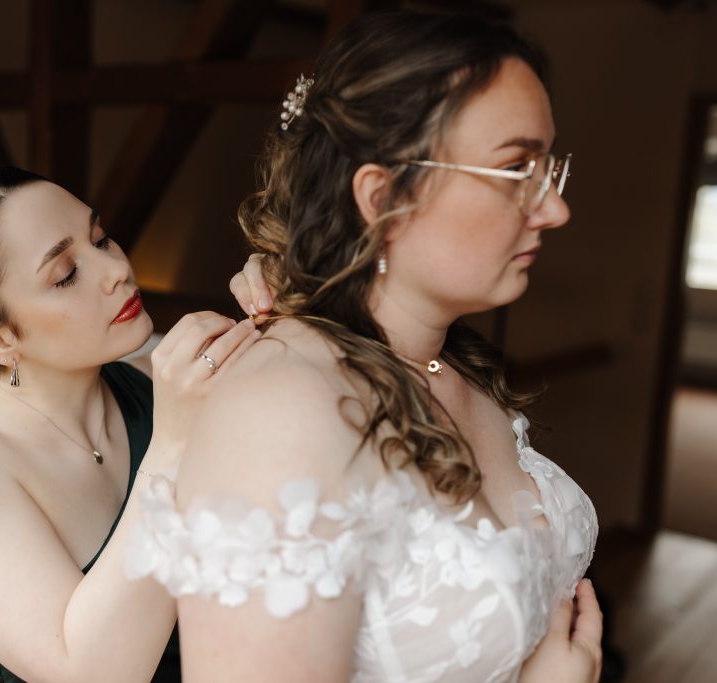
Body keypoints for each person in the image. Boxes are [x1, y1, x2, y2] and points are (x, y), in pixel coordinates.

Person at [127, 11, 603, 683]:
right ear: (381, 197)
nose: (554, 208)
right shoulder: (279, 413)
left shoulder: (447, 361)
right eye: (515, 168)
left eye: (550, 168)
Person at [0, 167, 270, 682]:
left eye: (100, 239)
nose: (116, 269)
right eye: (65, 275)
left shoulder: (162, 385)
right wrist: (170, 448)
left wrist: (285, 303)